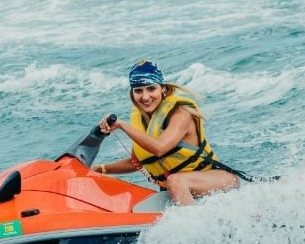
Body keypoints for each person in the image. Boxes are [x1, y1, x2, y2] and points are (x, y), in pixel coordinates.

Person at [93, 60, 238, 205]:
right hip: (179, 188)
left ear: (162, 88)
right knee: (173, 183)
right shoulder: (143, 120)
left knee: (174, 181)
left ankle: (193, 226)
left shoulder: (180, 114)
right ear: (132, 93)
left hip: (217, 182)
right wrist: (100, 169)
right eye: (138, 90)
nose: (145, 97)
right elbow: (135, 163)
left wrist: (122, 125)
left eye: (151, 89)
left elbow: (160, 148)